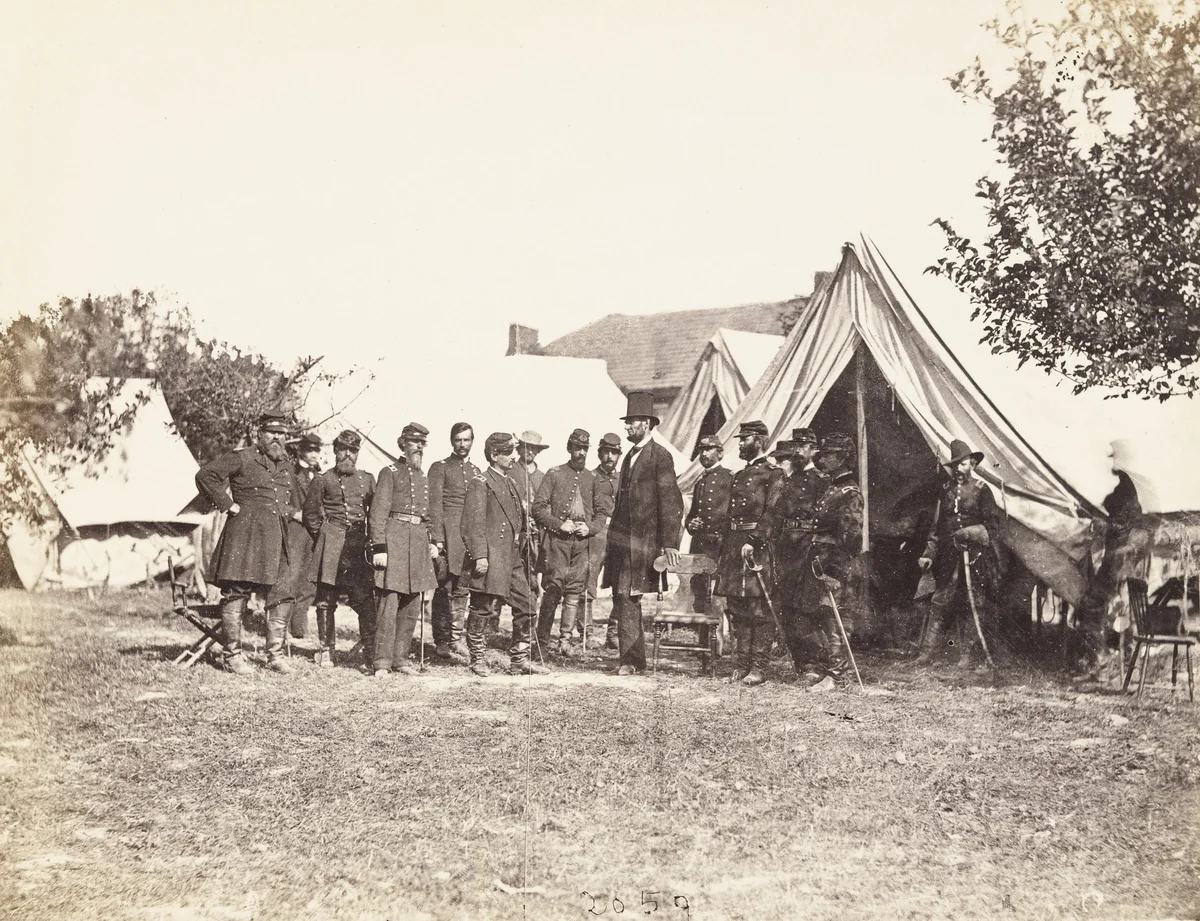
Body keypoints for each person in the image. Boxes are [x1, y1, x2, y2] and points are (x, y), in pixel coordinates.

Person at [194, 411, 298, 675]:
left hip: (276, 538)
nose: (277, 438)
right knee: (236, 594)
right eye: (272, 433)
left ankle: (274, 655)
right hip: (245, 537)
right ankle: (233, 656)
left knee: (282, 593)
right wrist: (228, 505)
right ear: (260, 434)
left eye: (282, 434)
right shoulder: (242, 457)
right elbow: (206, 475)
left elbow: (284, 502)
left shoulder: (286, 464)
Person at [604, 392, 685, 676]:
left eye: (633, 422)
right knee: (622, 595)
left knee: (628, 596)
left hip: (643, 543)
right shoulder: (630, 455)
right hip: (622, 542)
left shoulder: (660, 457)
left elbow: (672, 501)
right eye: (627, 422)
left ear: (648, 424)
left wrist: (670, 543)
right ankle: (632, 659)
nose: (627, 427)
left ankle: (631, 661)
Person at [462, 433, 550, 677]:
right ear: (494, 455)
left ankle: (519, 660)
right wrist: (480, 556)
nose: (514, 457)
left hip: (511, 559)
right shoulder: (481, 482)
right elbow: (473, 525)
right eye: (509, 452)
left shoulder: (509, 482)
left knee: (528, 605)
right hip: (489, 558)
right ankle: (477, 659)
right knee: (482, 608)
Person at [915, 438, 1002, 669]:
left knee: (971, 602)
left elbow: (993, 527)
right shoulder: (946, 491)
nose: (958, 470)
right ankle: (927, 653)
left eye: (962, 464)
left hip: (975, 557)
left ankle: (967, 656)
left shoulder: (983, 491)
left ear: (972, 464)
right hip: (948, 557)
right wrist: (928, 553)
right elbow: (937, 527)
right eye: (955, 465)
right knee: (938, 601)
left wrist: (970, 532)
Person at [713, 420, 783, 686]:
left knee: (759, 608)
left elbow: (773, 512)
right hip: (734, 545)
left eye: (745, 439)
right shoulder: (740, 475)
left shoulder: (773, 474)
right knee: (737, 607)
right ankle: (741, 666)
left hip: (757, 547)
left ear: (760, 441)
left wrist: (754, 540)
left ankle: (759, 667)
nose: (740, 444)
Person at [369, 423, 439, 677]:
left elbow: (428, 515)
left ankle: (400, 659)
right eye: (414, 442)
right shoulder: (389, 472)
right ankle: (382, 663)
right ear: (402, 444)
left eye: (423, 443)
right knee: (389, 605)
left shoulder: (424, 477)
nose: (419, 447)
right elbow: (377, 514)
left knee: (411, 605)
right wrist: (379, 547)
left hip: (418, 543)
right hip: (394, 541)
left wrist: (433, 541)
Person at [304, 430, 376, 669]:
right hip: (332, 544)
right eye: (343, 449)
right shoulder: (323, 480)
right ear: (335, 451)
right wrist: (327, 537)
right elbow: (311, 516)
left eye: (353, 450)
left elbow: (374, 514)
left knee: (364, 600)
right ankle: (326, 650)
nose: (348, 455)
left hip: (357, 547)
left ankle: (371, 651)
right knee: (326, 600)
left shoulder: (367, 479)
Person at [760, 430, 828, 676]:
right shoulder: (787, 480)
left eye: (803, 446)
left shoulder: (821, 480)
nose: (798, 450)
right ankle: (800, 663)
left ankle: (815, 664)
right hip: (785, 548)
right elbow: (776, 513)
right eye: (795, 445)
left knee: (805, 607)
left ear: (813, 449)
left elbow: (826, 518)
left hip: (808, 548)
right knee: (786, 606)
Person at [532, 429, 603, 656]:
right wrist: (557, 524)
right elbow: (538, 508)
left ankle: (565, 641)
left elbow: (602, 514)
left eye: (584, 448)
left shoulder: (593, 479)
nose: (580, 452)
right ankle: (541, 641)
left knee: (574, 593)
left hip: (582, 544)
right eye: (576, 448)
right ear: (569, 449)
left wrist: (590, 528)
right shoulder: (554, 474)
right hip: (557, 543)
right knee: (553, 589)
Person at [805, 432, 865, 687]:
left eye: (828, 455)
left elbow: (851, 539)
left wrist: (833, 571)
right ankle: (830, 668)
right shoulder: (832, 489)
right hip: (822, 561)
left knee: (836, 618)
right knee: (824, 616)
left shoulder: (849, 493)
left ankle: (838, 676)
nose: (823, 459)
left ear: (842, 459)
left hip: (837, 565)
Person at [428, 422, 480, 664]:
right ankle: (441, 640)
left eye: (466, 440)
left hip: (467, 537)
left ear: (472, 441)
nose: (462, 444)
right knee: (443, 589)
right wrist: (438, 539)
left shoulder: (476, 471)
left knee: (462, 589)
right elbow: (435, 506)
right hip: (447, 536)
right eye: (458, 440)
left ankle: (456, 639)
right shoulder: (440, 468)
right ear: (451, 441)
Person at [266, 432, 322, 643]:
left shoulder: (319, 475)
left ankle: (299, 628)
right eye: (311, 450)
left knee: (309, 583)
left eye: (317, 450)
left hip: (313, 534)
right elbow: (276, 501)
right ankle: (280, 629)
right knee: (290, 580)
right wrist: (295, 514)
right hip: (295, 532)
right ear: (300, 451)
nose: (315, 455)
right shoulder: (288, 472)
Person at [685, 434, 733, 616]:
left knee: (717, 594)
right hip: (700, 545)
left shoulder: (729, 479)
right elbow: (690, 516)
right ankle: (704, 639)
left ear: (720, 453)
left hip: (719, 546)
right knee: (699, 590)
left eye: (708, 449)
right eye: (701, 450)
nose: (703, 454)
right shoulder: (700, 483)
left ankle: (718, 640)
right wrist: (691, 524)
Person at [587, 433, 622, 649]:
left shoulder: (624, 478)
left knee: (620, 583)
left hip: (618, 534)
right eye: (606, 452)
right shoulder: (590, 477)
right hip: (597, 533)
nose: (610, 457)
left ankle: (614, 631)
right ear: (599, 453)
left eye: (614, 452)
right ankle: (587, 632)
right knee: (588, 581)